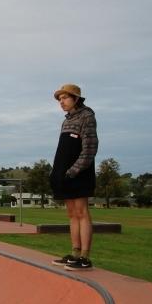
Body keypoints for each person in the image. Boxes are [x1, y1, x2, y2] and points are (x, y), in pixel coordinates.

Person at [50, 83, 98, 270]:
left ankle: (85, 257)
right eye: (59, 99)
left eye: (65, 98)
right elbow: (63, 151)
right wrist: (57, 173)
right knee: (71, 214)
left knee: (81, 213)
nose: (61, 102)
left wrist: (73, 171)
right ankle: (74, 253)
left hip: (79, 173)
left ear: (76, 98)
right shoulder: (66, 120)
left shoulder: (87, 116)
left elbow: (90, 149)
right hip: (64, 175)